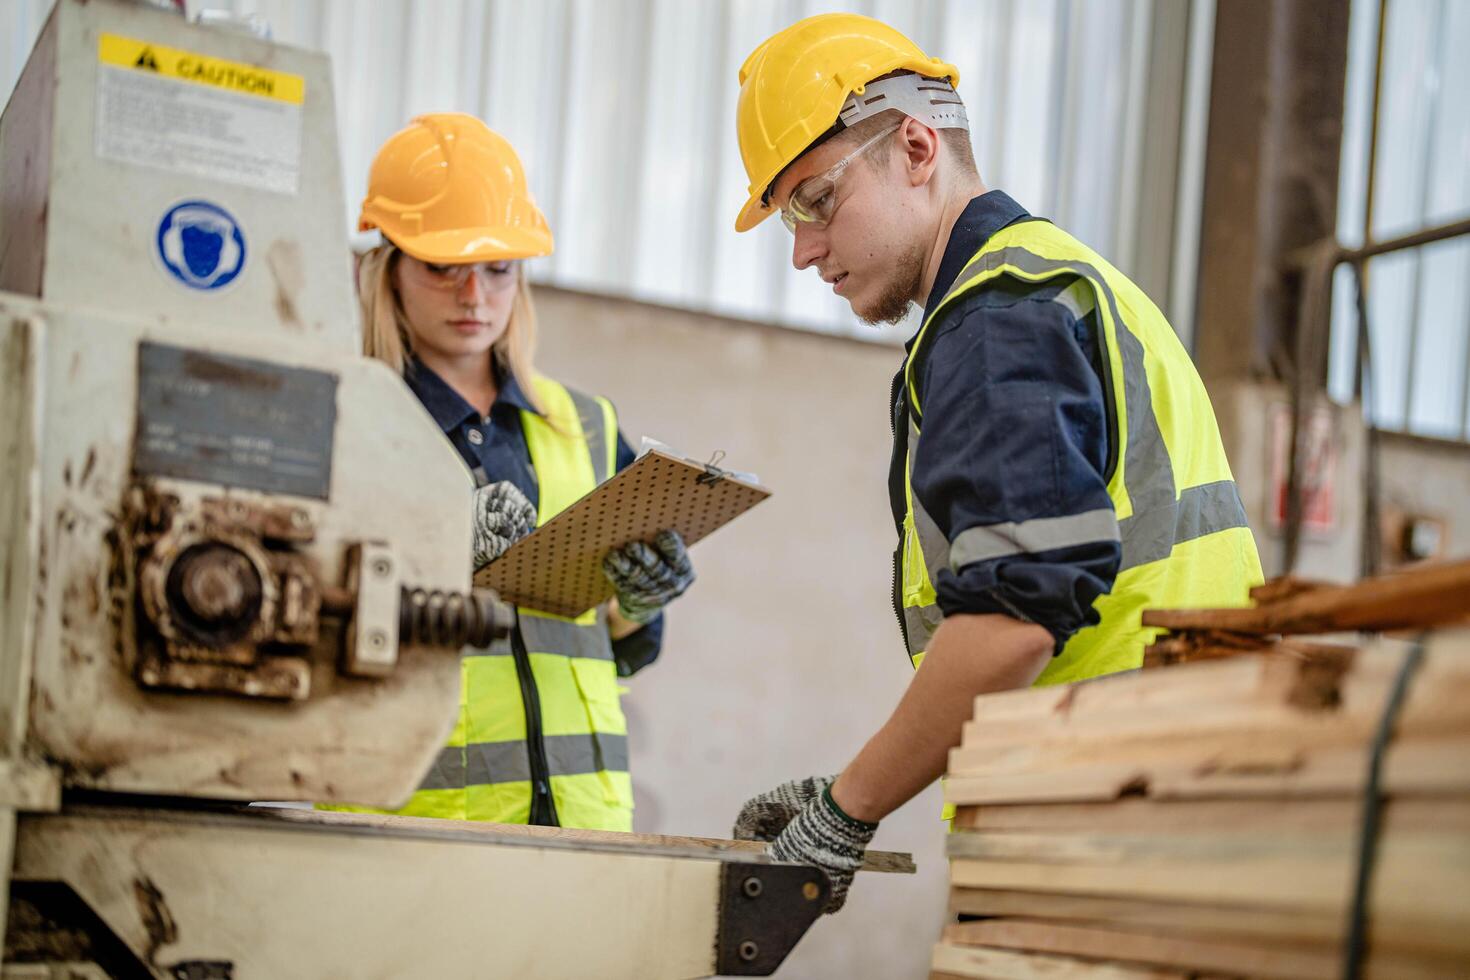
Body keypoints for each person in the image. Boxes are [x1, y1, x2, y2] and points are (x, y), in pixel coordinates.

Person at [727, 15, 1263, 910]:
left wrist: (844, 811)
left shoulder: (998, 316)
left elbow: (1014, 619)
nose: (803, 249)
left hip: (1102, 818)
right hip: (1174, 798)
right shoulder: (1064, 279)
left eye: (815, 200)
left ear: (916, 145)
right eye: (788, 217)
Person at [344, 113, 693, 830]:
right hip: (411, 828)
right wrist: (436, 558)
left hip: (581, 826)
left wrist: (638, 603)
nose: (475, 297)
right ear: (389, 269)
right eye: (445, 268)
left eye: (498, 269)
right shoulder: (346, 419)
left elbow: (615, 647)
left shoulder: (586, 425)